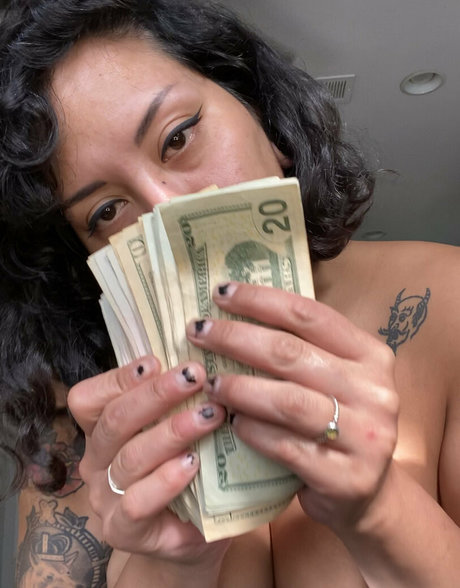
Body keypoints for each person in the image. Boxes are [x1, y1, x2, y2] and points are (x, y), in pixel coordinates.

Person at [1, 0, 459, 585]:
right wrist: (174, 564)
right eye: (107, 211)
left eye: (178, 137)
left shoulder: (445, 298)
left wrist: (380, 509)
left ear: (260, 111)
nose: (168, 212)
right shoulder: (83, 414)